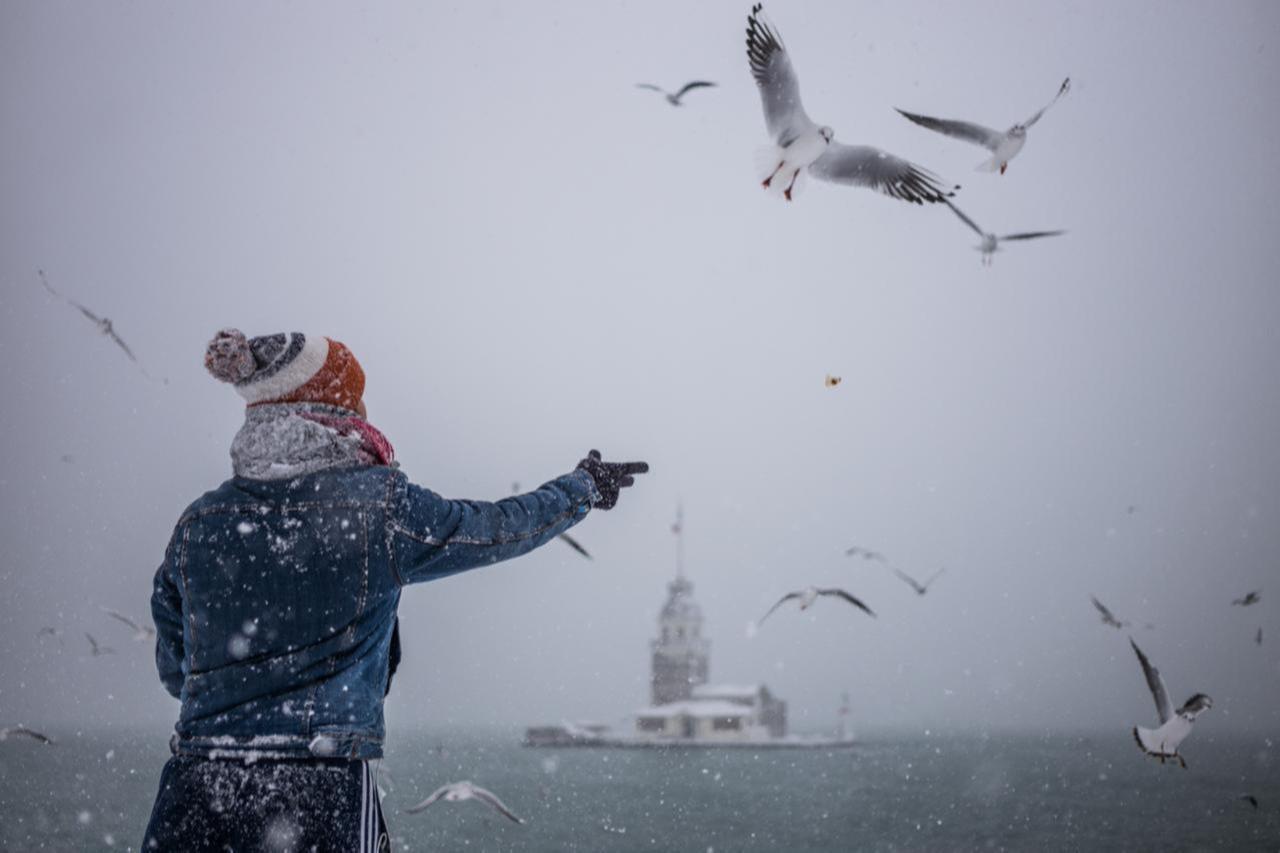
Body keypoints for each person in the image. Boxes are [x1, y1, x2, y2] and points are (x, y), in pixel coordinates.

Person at [141, 329, 648, 852]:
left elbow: (174, 668)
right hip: (320, 783)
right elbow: (498, 528)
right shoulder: (379, 508)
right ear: (333, 406)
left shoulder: (199, 522)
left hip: (198, 784)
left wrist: (240, 710)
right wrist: (583, 487)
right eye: (355, 398)